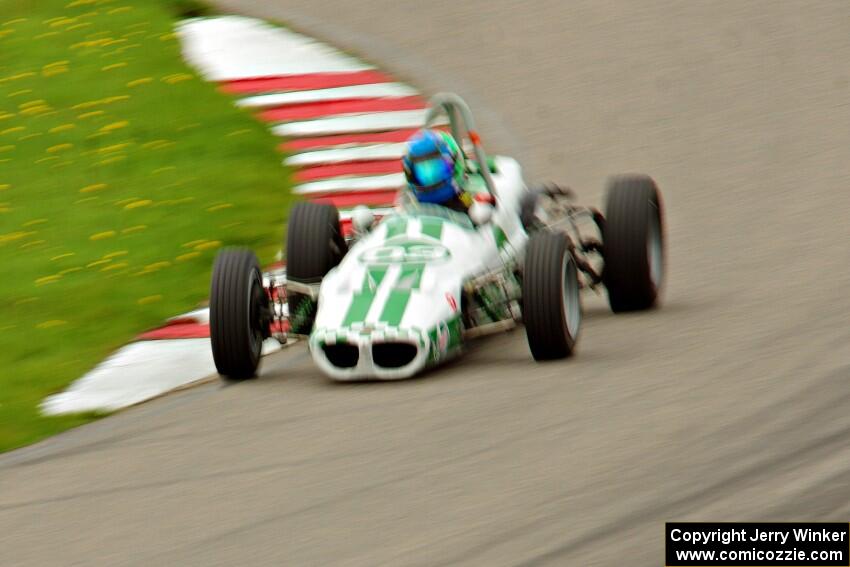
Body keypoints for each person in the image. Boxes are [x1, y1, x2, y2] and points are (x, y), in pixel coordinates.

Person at [401, 129, 483, 213]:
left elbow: (475, 206)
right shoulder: (409, 202)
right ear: (411, 174)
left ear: (454, 165)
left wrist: (481, 207)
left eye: (436, 168)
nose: (430, 176)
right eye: (423, 171)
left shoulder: (462, 194)